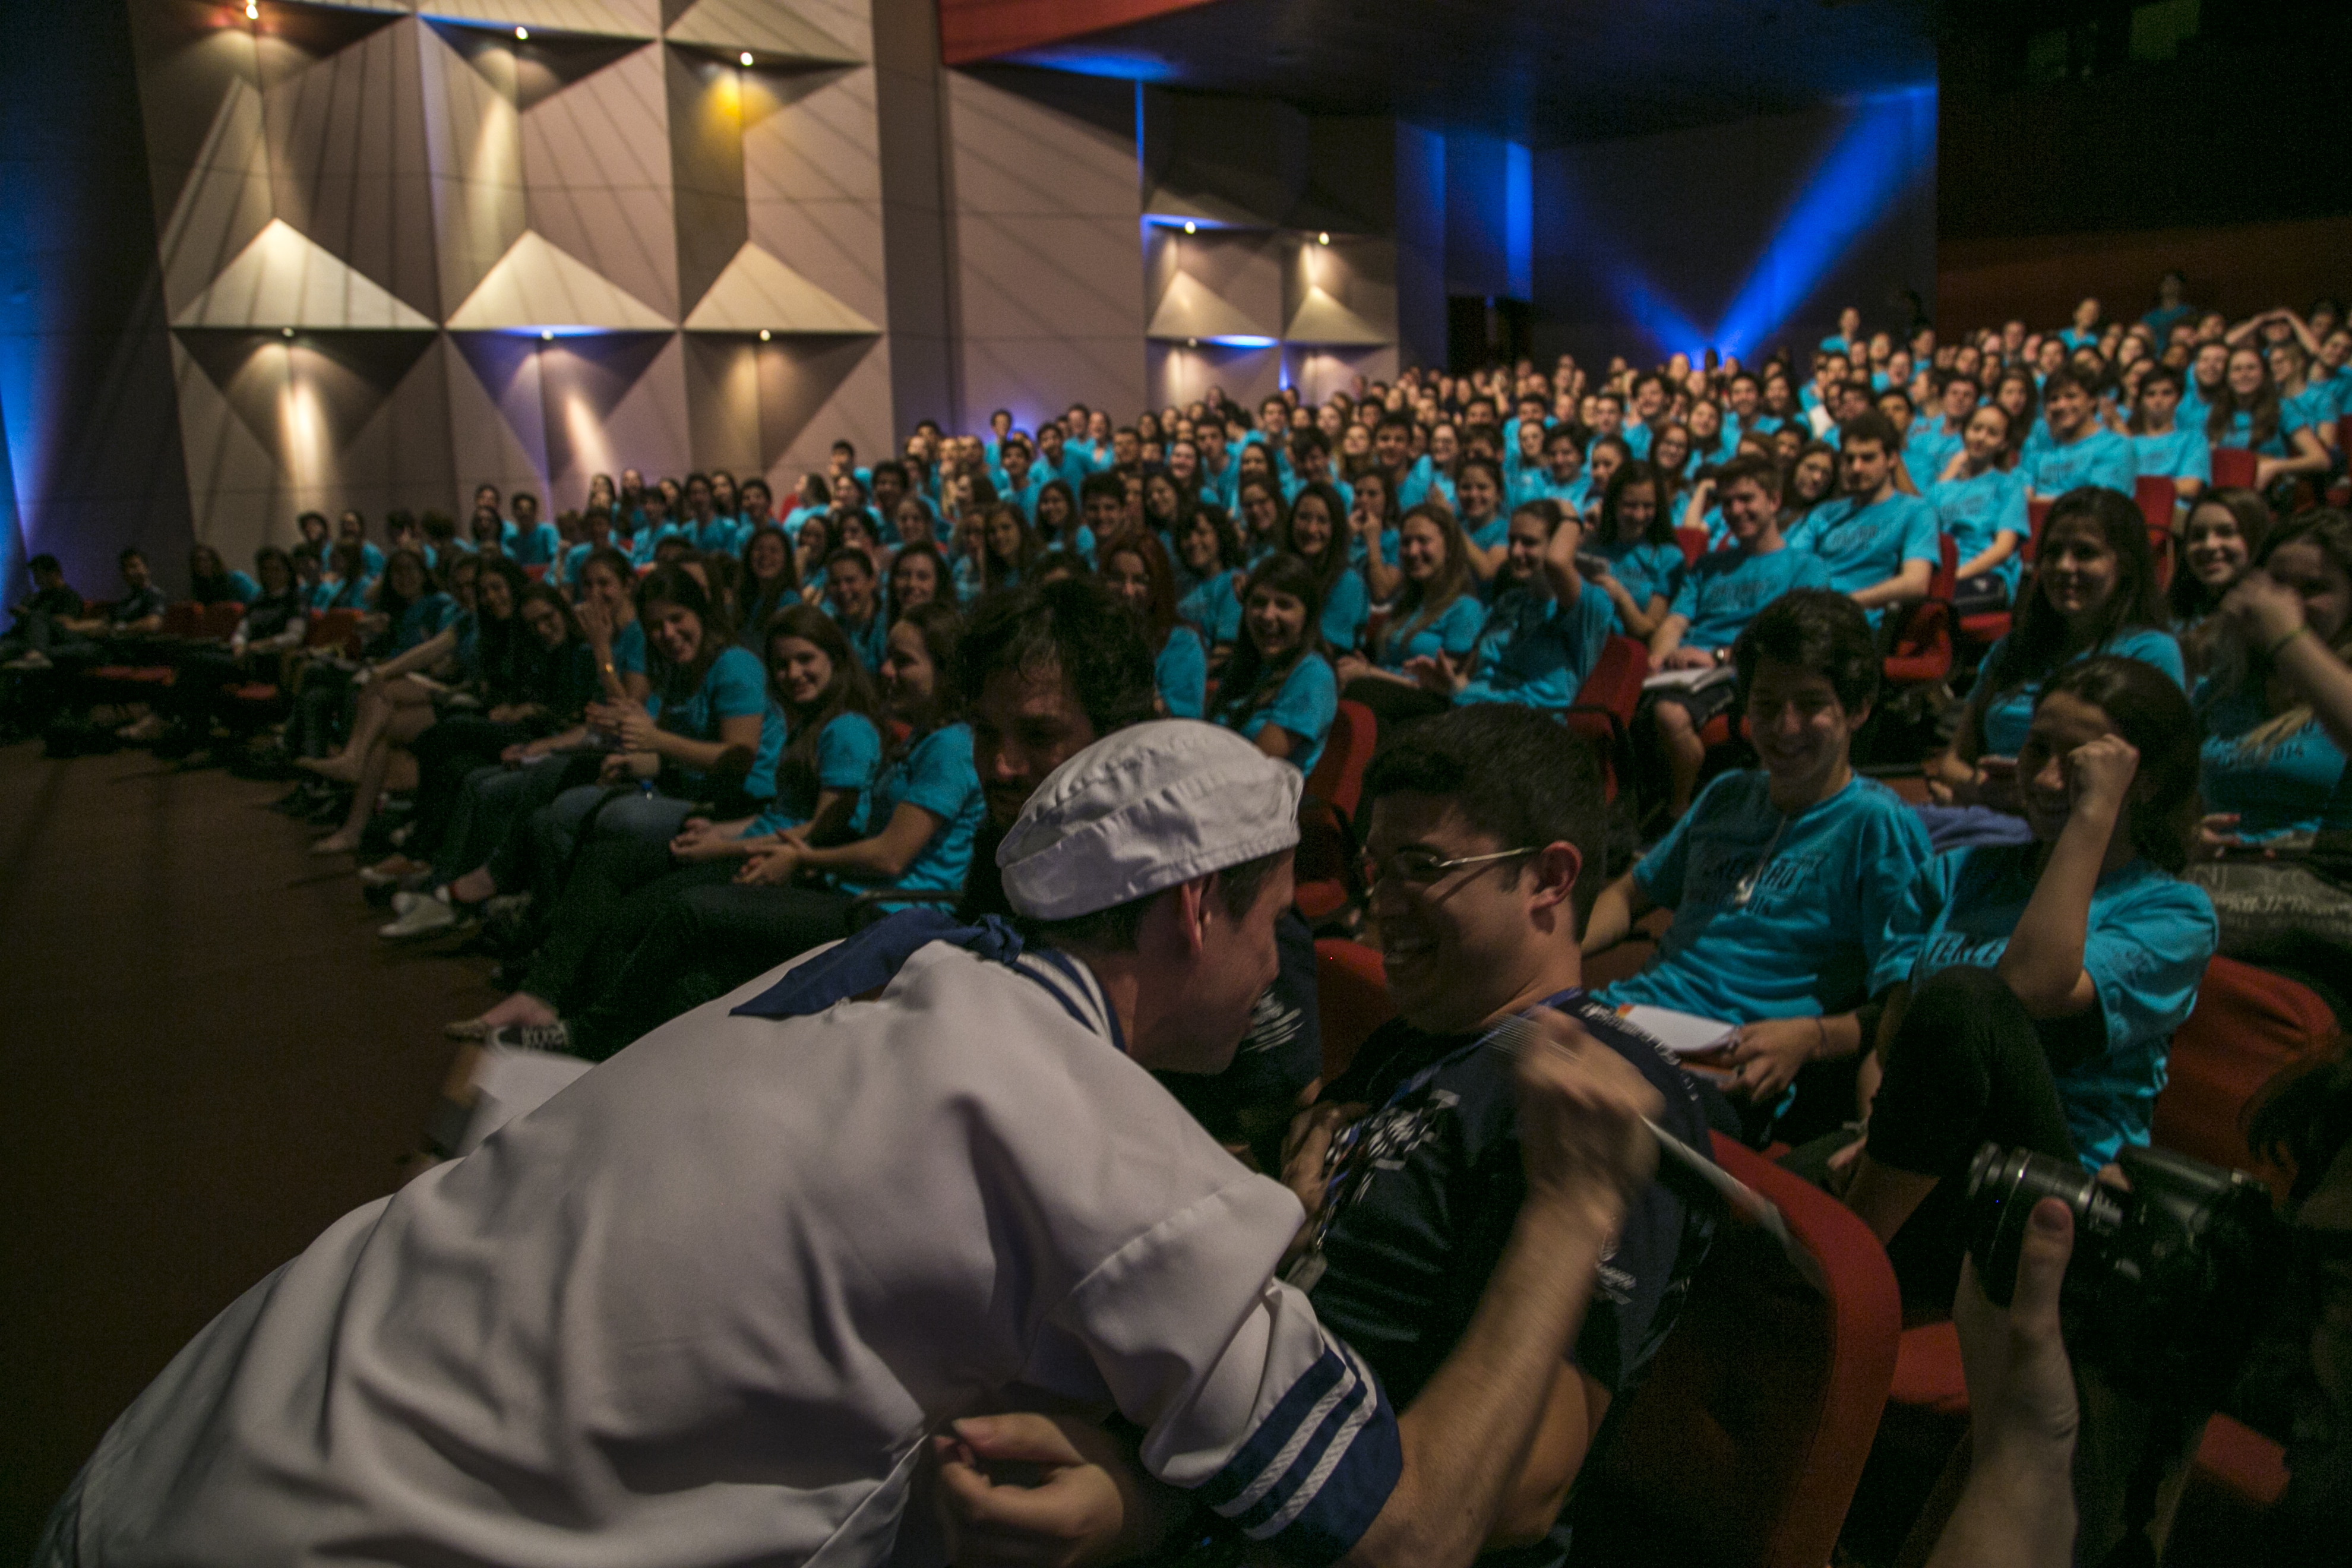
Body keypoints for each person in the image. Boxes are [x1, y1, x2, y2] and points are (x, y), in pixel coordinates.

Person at [40, 720, 1676, 1568]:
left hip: (180, 1457)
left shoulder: (876, 969)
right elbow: (1408, 1538)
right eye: (1276, 920)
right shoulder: (1097, 1143)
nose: (1296, 957)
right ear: (1193, 911)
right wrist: (1574, 1201)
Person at [939, 706, 1719, 1568]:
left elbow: (1524, 1489)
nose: (1377, 907)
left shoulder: (1600, 1100)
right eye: (1374, 869)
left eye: (1424, 869)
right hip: (1237, 1449)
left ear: (1549, 880)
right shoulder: (1410, 1044)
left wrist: (1157, 1499)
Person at [1840, 657, 2215, 1311]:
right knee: (1727, 1216)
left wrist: (2093, 811)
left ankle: (1843, 1265)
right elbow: (1900, 1043)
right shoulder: (1956, 876)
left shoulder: (2173, 913)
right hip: (1917, 1159)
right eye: (2037, 748)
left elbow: (2028, 988)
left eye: (2078, 764)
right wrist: (1878, 1137)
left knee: (1967, 996)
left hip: (2038, 1194)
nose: (2044, 777)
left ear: (2143, 781)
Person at [1589, 591, 1931, 1140]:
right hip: (1630, 1017)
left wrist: (1812, 1038)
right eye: (1767, 706)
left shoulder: (1876, 825)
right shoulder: (1729, 795)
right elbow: (1630, 893)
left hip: (1732, 1059)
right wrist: (1558, 957)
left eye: (1811, 705)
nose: (1785, 728)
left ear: (1858, 709)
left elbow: (1902, 1003)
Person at [1927, 488, 2183, 818]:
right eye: (2053, 552)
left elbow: (2158, 778)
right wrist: (1981, 789)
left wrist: (2029, 794)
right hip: (1992, 816)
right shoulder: (2013, 649)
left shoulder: (2149, 653)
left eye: (2085, 553)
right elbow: (1953, 762)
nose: (2064, 566)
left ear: (2126, 565)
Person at [2187, 510, 2352, 959]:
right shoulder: (2224, 690)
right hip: (2220, 882)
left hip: (2326, 892)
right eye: (2277, 586)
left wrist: (2289, 637)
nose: (2288, 603)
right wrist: (2184, 831)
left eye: (2313, 589)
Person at [1646, 457, 1835, 814]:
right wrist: (1659, 656)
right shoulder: (1707, 566)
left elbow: (1794, 638)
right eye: (1727, 502)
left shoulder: (1805, 567)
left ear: (1774, 502)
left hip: (1744, 672)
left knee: (1670, 714)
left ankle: (1679, 813)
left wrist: (1720, 656)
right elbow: (1674, 623)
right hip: (1686, 672)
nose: (1735, 510)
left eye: (1746, 499)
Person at [1335, 504, 1482, 725]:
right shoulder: (1409, 603)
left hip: (1426, 714)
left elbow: (1442, 688)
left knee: (1362, 692)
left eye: (1423, 541)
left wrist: (1369, 673)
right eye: (1406, 543)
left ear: (1450, 547)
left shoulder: (1465, 609)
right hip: (1386, 701)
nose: (1412, 552)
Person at [1785, 411, 1937, 622]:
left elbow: (1916, 583)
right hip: (1808, 615)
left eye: (1868, 458)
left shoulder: (1916, 510)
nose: (1856, 468)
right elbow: (1790, 566)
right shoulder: (1826, 513)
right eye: (1850, 459)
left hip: (1857, 622)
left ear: (1892, 459)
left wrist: (1843, 603)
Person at [1209, 553, 1339, 774]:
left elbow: (1255, 767)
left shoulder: (1313, 674)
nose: (1268, 616)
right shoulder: (1247, 665)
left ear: (1307, 616)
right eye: (1259, 603)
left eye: (1284, 605)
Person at [1098, 530, 1207, 720]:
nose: (1127, 591)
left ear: (1158, 586)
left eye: (1140, 581)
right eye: (1116, 578)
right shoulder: (1094, 636)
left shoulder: (1182, 645)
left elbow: (1181, 723)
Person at [1930, 402, 2029, 605]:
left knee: (1938, 607)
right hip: (1943, 572)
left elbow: (2002, 550)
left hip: (1986, 575)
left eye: (1992, 433)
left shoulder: (2009, 487)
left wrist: (1954, 577)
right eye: (1976, 429)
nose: (1981, 437)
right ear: (1965, 432)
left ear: (2003, 444)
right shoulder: (1940, 489)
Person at [2169, 488, 2273, 676]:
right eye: (2198, 536)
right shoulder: (2172, 616)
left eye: (2226, 533)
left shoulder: (2269, 623)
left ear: (2256, 537)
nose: (2209, 545)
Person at [2126, 363, 2210, 503]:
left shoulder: (2193, 439)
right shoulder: (2128, 444)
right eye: (2150, 394)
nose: (2158, 400)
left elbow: (2191, 486)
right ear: (2141, 400)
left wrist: (2140, 489)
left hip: (2175, 511)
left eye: (2167, 393)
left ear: (2179, 398)